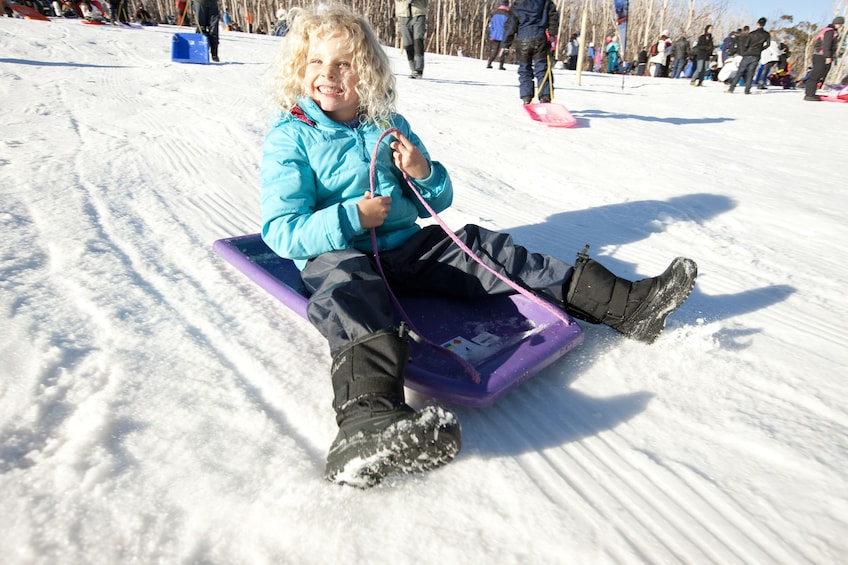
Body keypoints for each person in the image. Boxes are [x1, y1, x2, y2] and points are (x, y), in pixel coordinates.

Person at [260, 3, 698, 487]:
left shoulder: (388, 124)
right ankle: (369, 425)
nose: (329, 75)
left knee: (483, 249)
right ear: (300, 68)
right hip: (335, 254)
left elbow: (440, 199)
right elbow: (281, 230)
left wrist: (422, 171)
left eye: (342, 63)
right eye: (316, 63)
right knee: (352, 295)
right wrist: (350, 216)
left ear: (364, 70)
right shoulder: (291, 138)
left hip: (404, 247)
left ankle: (626, 305)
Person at [504, 0, 559, 104]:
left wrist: (506, 43)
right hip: (540, 39)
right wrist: (552, 35)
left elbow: (511, 25)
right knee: (542, 68)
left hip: (522, 40)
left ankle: (526, 97)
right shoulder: (546, 2)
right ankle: (545, 96)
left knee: (524, 69)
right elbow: (553, 18)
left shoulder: (518, 4)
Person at [804, 16, 844, 101]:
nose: (840, 26)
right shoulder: (830, 31)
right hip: (821, 56)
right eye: (840, 24)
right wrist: (827, 57)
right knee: (816, 75)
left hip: (819, 55)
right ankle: (809, 95)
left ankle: (811, 93)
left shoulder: (828, 30)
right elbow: (827, 45)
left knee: (818, 75)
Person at [726, 18, 769, 94]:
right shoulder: (766, 34)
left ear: (757, 24)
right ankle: (747, 90)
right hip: (757, 55)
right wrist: (761, 49)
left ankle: (731, 89)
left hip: (748, 54)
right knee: (751, 73)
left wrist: (746, 50)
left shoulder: (752, 34)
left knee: (740, 72)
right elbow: (768, 44)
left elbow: (746, 44)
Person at [395, 0, 428, 79]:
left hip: (418, 12)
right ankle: (413, 68)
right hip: (403, 14)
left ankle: (418, 70)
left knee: (418, 40)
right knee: (408, 43)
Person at [485, 3, 511, 70]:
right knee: (503, 49)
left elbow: (491, 24)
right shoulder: (508, 14)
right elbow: (509, 25)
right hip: (504, 34)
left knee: (495, 49)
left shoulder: (495, 13)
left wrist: (491, 33)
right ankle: (501, 65)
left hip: (495, 34)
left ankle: (489, 63)